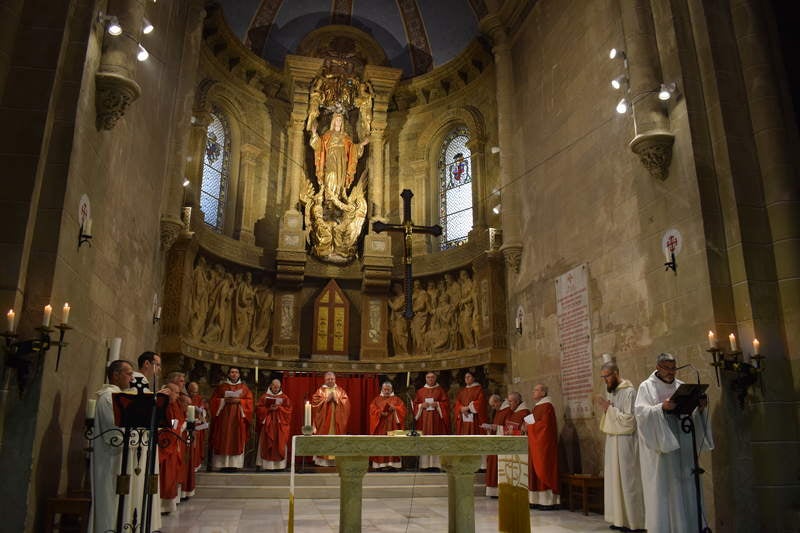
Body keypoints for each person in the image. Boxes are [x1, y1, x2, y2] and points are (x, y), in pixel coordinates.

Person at [635, 353, 713, 533]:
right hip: (662, 450)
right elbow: (641, 414)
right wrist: (661, 407)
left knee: (687, 488)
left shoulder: (681, 387)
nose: (671, 372)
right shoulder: (647, 387)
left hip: (684, 445)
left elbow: (690, 416)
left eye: (673, 368)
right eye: (667, 368)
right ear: (658, 368)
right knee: (667, 490)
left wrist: (699, 408)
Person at [596, 360, 645, 531]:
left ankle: (634, 522)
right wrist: (607, 409)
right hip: (613, 441)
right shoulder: (613, 392)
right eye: (603, 377)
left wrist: (608, 410)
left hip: (626, 441)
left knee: (628, 480)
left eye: (607, 377)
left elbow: (629, 420)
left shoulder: (629, 392)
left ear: (616, 373)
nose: (605, 381)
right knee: (615, 479)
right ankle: (620, 520)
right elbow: (613, 414)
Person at [89, 359, 134, 533]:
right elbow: (115, 429)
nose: (131, 378)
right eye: (128, 373)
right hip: (110, 456)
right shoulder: (109, 397)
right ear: (115, 375)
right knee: (108, 498)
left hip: (117, 455)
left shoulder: (117, 396)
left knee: (115, 499)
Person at [310, 112, 369, 200]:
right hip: (330, 158)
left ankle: (338, 199)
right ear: (333, 122)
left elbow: (352, 150)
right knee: (331, 175)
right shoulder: (327, 135)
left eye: (340, 120)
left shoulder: (345, 137)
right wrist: (314, 134)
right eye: (337, 120)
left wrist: (361, 145)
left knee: (340, 179)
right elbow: (319, 146)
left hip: (342, 160)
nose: (338, 122)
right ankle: (329, 200)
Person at [209, 367, 254, 470]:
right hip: (224, 418)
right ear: (228, 374)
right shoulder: (222, 387)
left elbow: (250, 402)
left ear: (239, 375)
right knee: (223, 439)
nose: (234, 374)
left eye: (236, 372)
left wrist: (240, 401)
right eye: (232, 372)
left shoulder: (244, 388)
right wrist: (223, 400)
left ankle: (235, 465)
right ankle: (222, 465)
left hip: (238, 419)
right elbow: (213, 401)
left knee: (236, 439)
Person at [524, 383, 560, 508]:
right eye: (533, 389)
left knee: (544, 468)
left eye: (536, 390)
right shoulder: (537, 407)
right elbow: (534, 422)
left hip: (544, 445)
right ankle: (535, 500)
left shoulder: (547, 406)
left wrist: (530, 427)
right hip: (535, 443)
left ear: (543, 393)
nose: (533, 392)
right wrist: (527, 425)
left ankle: (547, 501)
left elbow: (545, 427)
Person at [310, 372, 350, 466]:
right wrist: (326, 400)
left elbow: (347, 404)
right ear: (325, 380)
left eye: (332, 379)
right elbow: (315, 403)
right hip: (324, 422)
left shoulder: (340, 391)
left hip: (337, 422)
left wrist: (336, 399)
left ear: (335, 379)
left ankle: (337, 460)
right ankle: (323, 461)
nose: (330, 381)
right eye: (328, 379)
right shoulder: (320, 391)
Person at [413, 372, 450, 471]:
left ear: (435, 378)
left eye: (432, 377)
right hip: (424, 421)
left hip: (437, 421)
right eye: (428, 377)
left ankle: (437, 465)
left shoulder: (440, 390)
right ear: (425, 379)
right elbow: (415, 405)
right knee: (425, 441)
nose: (430, 379)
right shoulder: (420, 391)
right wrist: (421, 406)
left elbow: (446, 404)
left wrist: (438, 404)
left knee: (436, 441)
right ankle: (425, 465)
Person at [368, 382, 408, 470]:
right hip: (380, 427)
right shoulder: (376, 400)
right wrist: (380, 413)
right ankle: (380, 465)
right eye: (385, 389)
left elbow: (403, 411)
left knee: (393, 444)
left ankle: (393, 464)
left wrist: (395, 409)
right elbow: (372, 410)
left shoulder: (397, 399)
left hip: (393, 426)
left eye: (388, 389)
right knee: (381, 444)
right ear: (381, 389)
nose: (386, 391)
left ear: (391, 390)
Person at [255, 378, 293, 470]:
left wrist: (279, 408)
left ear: (280, 387)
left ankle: (279, 466)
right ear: (270, 386)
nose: (276, 388)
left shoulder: (284, 397)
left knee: (280, 442)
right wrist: (268, 409)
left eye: (277, 387)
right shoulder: (264, 397)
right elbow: (259, 409)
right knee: (266, 442)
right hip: (268, 424)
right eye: (274, 386)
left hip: (280, 425)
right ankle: (267, 466)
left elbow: (289, 410)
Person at [159, 383, 184, 514]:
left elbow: (176, 421)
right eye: (176, 393)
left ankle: (166, 505)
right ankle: (161, 506)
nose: (178, 396)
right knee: (165, 474)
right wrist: (176, 428)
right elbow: (168, 423)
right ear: (169, 391)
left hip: (171, 440)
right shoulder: (163, 404)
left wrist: (178, 427)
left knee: (171, 474)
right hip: (165, 442)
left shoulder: (173, 405)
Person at [484, 394, 510, 497]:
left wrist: (497, 428)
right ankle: (493, 490)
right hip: (496, 442)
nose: (493, 408)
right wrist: (491, 428)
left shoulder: (507, 410)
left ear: (498, 402)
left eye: (493, 405)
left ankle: (497, 490)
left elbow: (509, 427)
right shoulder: (499, 411)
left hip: (502, 444)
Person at [187, 381, 207, 472]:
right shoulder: (185, 398)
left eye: (195, 392)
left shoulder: (199, 398)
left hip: (198, 425)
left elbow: (203, 410)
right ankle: (189, 464)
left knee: (197, 446)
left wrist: (201, 411)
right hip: (188, 424)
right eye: (192, 392)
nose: (194, 394)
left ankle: (195, 464)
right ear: (188, 390)